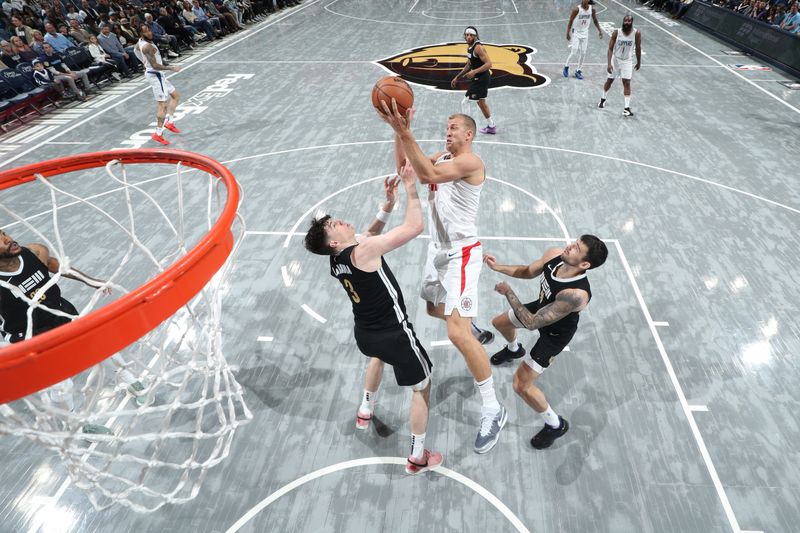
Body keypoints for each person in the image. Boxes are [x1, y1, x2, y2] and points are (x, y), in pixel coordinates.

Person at [381, 101, 507, 455]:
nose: (447, 131)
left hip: (462, 253)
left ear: (469, 134)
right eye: (446, 127)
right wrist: (398, 131)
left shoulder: (472, 162)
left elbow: (428, 177)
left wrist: (407, 132)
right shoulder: (439, 157)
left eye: (453, 128)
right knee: (434, 309)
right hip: (436, 250)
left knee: (456, 333)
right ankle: (474, 326)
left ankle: (493, 410)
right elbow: (408, 169)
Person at [303, 162, 443, 475]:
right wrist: (410, 189)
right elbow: (414, 228)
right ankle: (417, 456)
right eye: (332, 226)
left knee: (377, 358)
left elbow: (367, 235)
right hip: (395, 333)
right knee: (422, 386)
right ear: (334, 242)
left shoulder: (338, 259)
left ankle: (366, 408)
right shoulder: (362, 251)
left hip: (366, 332)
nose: (337, 221)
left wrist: (388, 205)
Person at [0, 229, 147, 431]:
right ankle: (74, 424)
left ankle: (131, 381)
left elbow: (56, 265)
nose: (8, 239)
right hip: (29, 338)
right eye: (0, 240)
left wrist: (91, 281)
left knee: (103, 346)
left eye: (4, 233)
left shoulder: (32, 252)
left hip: (61, 315)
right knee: (62, 386)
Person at [487, 236, 608, 449]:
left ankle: (555, 424)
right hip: (541, 309)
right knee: (500, 323)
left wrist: (509, 292)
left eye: (576, 248)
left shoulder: (576, 294)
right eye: (574, 241)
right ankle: (514, 349)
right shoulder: (555, 256)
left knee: (520, 385)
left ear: (585, 264)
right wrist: (497, 267)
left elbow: (532, 323)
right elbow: (527, 271)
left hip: (555, 335)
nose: (569, 246)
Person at [134, 24, 182, 145]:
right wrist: (171, 68)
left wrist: (144, 63)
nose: (149, 33)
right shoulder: (147, 47)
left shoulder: (140, 42)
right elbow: (155, 65)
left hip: (157, 74)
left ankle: (169, 122)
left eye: (149, 30)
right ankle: (158, 134)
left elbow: (135, 50)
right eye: (146, 32)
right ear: (141, 34)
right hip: (155, 75)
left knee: (176, 96)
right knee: (162, 106)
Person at [450, 26, 496, 135]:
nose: (469, 37)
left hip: (481, 78)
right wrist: (458, 76)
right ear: (465, 36)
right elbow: (469, 64)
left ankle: (467, 129)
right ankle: (491, 126)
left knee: (465, 102)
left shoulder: (478, 47)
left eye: (471, 35)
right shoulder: (470, 48)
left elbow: (489, 64)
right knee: (481, 102)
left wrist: (474, 72)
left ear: (475, 36)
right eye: (467, 35)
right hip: (481, 77)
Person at [598, 14, 641, 117]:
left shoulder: (636, 33)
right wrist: (609, 64)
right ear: (623, 21)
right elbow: (610, 48)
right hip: (615, 59)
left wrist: (639, 61)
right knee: (610, 80)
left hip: (627, 61)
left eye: (629, 21)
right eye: (625, 21)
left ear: (632, 22)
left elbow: (638, 48)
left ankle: (626, 109)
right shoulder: (616, 32)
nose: (626, 22)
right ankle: (602, 99)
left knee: (627, 83)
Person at [563, 0, 603, 80]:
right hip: (576, 33)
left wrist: (600, 30)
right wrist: (567, 32)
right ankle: (566, 66)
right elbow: (570, 21)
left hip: (585, 33)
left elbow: (595, 20)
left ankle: (578, 70)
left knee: (583, 53)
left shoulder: (592, 9)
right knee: (574, 51)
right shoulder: (576, 10)